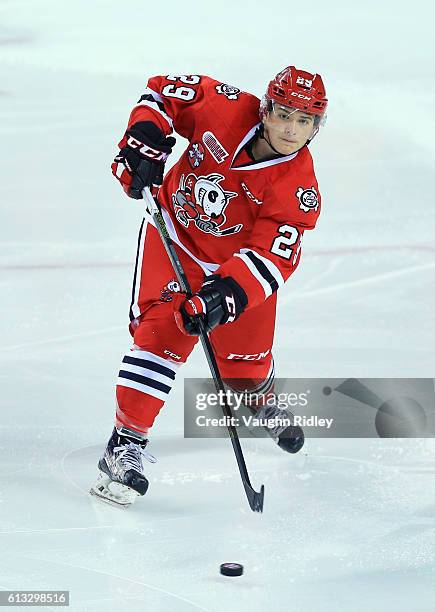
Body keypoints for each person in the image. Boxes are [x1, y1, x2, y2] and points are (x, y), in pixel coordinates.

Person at [90, 66, 328, 507]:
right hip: (175, 238)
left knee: (245, 364)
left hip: (234, 268)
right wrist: (143, 142)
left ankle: (258, 400)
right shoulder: (224, 106)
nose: (291, 130)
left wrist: (223, 297)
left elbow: (272, 257)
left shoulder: (298, 188)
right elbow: (161, 94)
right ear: (266, 109)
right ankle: (124, 445)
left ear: (316, 125)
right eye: (284, 114)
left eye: (304, 121)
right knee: (162, 334)